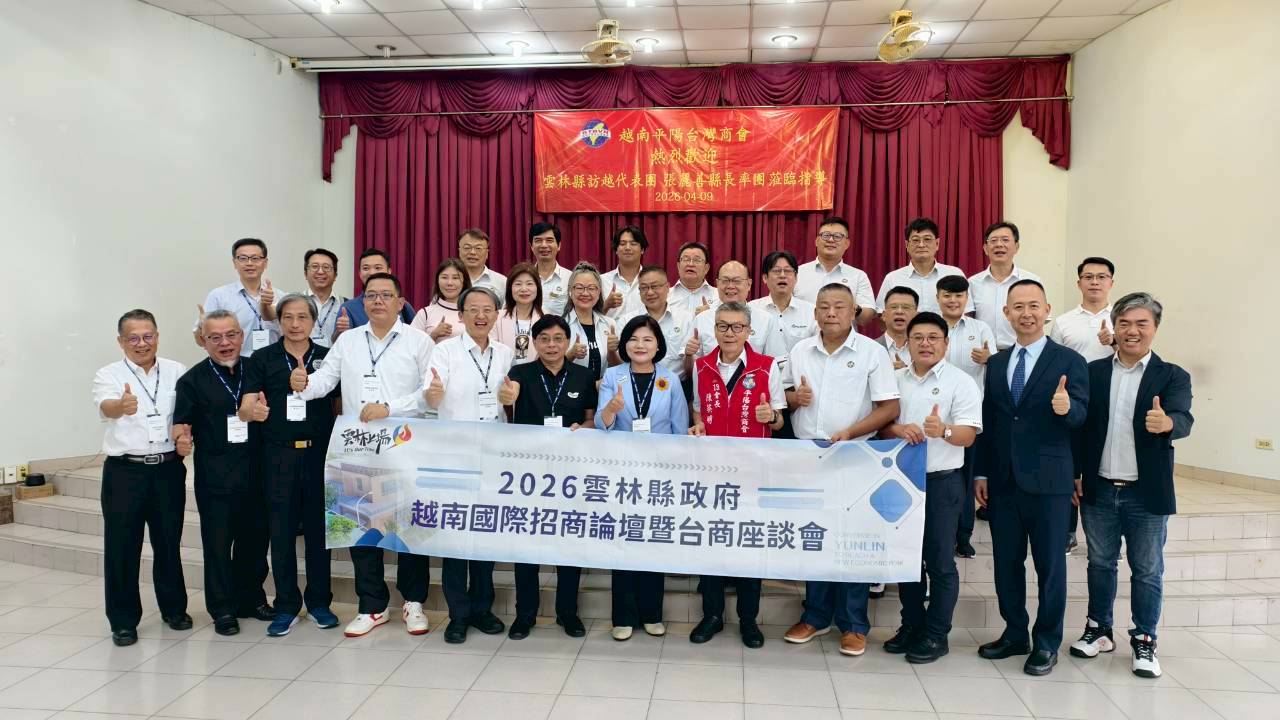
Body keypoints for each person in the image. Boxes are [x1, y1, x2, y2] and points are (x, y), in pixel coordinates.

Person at [294, 272, 435, 637]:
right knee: (360, 526)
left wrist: (389, 408)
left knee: (409, 527)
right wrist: (304, 384)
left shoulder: (418, 341)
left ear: (400, 302)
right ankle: (372, 605)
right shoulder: (349, 340)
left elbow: (429, 394)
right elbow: (325, 380)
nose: (377, 301)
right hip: (357, 446)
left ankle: (413, 601)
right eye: (371, 295)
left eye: (386, 295)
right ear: (363, 302)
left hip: (404, 445)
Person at [1071, 292, 1193, 679]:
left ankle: (1144, 638)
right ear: (1114, 327)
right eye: (1124, 323)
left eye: (1142, 323)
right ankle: (1099, 629)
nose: (1132, 331)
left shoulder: (1172, 375)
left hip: (1146, 491)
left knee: (1147, 570)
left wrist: (1168, 423)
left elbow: (1184, 417)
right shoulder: (1093, 372)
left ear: (1155, 328)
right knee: (1100, 563)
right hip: (1100, 488)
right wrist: (1076, 472)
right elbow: (1081, 429)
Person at [974, 279, 1088, 677]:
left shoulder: (1069, 361)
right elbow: (990, 421)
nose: (1026, 313)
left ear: (1047, 310)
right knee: (1007, 564)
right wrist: (982, 472)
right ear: (1006, 313)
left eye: (1034, 305)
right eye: (1018, 306)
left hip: (1050, 482)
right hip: (1004, 481)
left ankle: (1046, 642)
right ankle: (1014, 633)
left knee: (1050, 567)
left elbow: (1083, 418)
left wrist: (1068, 407)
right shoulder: (998, 363)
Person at [782, 283, 900, 657]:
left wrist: (851, 432)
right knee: (815, 537)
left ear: (853, 313)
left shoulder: (872, 352)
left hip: (855, 455)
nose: (831, 313)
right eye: (824, 306)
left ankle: (853, 625)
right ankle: (816, 616)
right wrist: (794, 398)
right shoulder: (800, 350)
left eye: (839, 306)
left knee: (852, 540)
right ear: (814, 312)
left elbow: (889, 408)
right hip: (809, 457)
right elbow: (782, 397)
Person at [880, 312, 982, 664]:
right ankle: (911, 624)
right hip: (900, 482)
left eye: (933, 337)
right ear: (906, 343)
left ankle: (937, 634)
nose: (925, 344)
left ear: (946, 343)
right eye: (918, 337)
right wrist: (897, 429)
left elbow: (969, 436)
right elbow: (881, 425)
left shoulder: (961, 382)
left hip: (942, 482)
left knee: (939, 562)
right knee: (906, 560)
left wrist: (944, 430)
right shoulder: (894, 380)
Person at [239, 294, 340, 637]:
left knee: (318, 533)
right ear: (279, 321)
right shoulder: (262, 359)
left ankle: (319, 603)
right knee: (280, 533)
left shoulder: (328, 358)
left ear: (313, 321)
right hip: (278, 456)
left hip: (319, 455)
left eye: (302, 317)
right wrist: (252, 412)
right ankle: (286, 605)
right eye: (288, 318)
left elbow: (339, 406)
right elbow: (246, 405)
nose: (295, 324)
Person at [687, 301, 786, 649]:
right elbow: (698, 411)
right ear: (714, 330)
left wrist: (770, 416)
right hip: (711, 473)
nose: (730, 333)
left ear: (748, 331)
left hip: (752, 473)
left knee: (749, 544)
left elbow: (780, 420)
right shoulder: (701, 366)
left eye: (737, 327)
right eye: (723, 326)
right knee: (711, 542)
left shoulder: (766, 367)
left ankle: (748, 619)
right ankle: (712, 615)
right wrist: (698, 425)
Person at [93, 309, 192, 647]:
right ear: (121, 341)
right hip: (125, 472)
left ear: (157, 337)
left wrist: (185, 436)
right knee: (122, 547)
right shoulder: (109, 374)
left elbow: (187, 414)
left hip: (168, 469)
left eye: (148, 336)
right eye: (133, 338)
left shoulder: (177, 370)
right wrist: (121, 406)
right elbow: (106, 407)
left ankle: (174, 609)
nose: (141, 343)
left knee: (168, 542)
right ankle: (123, 621)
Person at [174, 310, 272, 637]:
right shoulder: (192, 380)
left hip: (257, 473)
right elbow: (182, 424)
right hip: (216, 478)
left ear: (241, 336)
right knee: (217, 547)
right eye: (215, 337)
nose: (224, 343)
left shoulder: (256, 368)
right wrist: (181, 440)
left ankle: (252, 600)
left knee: (254, 543)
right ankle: (223, 609)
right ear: (203, 341)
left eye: (231, 334)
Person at [500, 315, 597, 640]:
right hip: (530, 472)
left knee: (568, 543)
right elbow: (509, 397)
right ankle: (525, 614)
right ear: (535, 342)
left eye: (558, 339)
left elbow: (591, 420)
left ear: (567, 341)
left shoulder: (583, 376)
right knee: (527, 543)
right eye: (544, 339)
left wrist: (582, 428)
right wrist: (507, 396)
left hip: (571, 473)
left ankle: (567, 612)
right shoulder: (520, 373)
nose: (552, 345)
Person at [426, 286, 512, 643]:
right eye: (473, 309)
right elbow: (430, 395)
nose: (481, 315)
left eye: (488, 309)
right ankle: (457, 614)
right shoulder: (445, 351)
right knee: (455, 538)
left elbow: (509, 402)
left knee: (484, 536)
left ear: (497, 315)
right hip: (455, 457)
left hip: (492, 455)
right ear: (460, 315)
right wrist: (432, 395)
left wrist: (512, 398)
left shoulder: (505, 353)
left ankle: (482, 608)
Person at [596, 315, 689, 640]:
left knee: (652, 540)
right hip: (622, 472)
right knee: (623, 541)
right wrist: (611, 408)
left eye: (647, 339)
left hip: (658, 474)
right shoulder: (613, 375)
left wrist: (675, 473)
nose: (640, 345)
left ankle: (651, 614)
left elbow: (679, 429)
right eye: (634, 339)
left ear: (658, 345)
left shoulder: (670, 379)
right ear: (624, 344)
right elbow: (602, 424)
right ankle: (622, 617)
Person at [1051, 257, 1117, 554]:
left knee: (1102, 465)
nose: (1094, 282)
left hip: (1111, 402)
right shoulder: (1064, 322)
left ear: (1111, 282)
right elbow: (1053, 361)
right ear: (1078, 283)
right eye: (1088, 276)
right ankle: (1067, 530)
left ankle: (1106, 534)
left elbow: (1139, 353)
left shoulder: (1123, 319)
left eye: (1101, 276)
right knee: (1070, 465)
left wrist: (1113, 342)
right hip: (1073, 403)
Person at [935, 275, 997, 558]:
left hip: (969, 417)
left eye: (959, 295)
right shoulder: (930, 327)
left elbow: (997, 369)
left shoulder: (980, 328)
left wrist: (988, 360)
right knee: (941, 478)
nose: (953, 301)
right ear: (938, 297)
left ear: (967, 299)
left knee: (966, 476)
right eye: (947, 295)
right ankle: (941, 536)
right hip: (934, 416)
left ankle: (963, 536)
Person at [194, 238, 280, 356]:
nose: (249, 263)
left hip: (272, 362)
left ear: (265, 263)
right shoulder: (219, 296)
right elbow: (200, 341)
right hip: (235, 363)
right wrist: (202, 327)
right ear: (235, 263)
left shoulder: (281, 297)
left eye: (255, 258)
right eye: (243, 258)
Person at [968, 221, 1044, 350]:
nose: (999, 244)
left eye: (1005, 240)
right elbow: (968, 321)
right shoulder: (973, 283)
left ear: (1016, 247)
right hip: (983, 354)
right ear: (985, 248)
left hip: (1021, 351)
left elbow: (1040, 318)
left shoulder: (1032, 281)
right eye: (993, 241)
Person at [690, 261, 785, 361]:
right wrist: (689, 356)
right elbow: (691, 364)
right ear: (717, 284)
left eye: (737, 281)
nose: (730, 286)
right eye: (725, 281)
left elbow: (776, 360)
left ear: (749, 284)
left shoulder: (766, 320)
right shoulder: (702, 319)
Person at [875, 218, 969, 315]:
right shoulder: (893, 278)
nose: (921, 245)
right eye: (915, 240)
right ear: (907, 245)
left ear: (937, 244)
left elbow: (965, 312)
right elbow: (882, 314)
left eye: (927, 239)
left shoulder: (954, 274)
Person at [794, 217, 876, 325]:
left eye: (837, 236)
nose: (831, 240)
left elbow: (866, 318)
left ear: (847, 243)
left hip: (843, 335)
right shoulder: (797, 273)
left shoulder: (858, 276)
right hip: (803, 334)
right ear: (817, 241)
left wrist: (852, 307)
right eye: (826, 235)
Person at [748, 250, 817, 374]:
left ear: (796, 278)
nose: (782, 275)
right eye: (776, 271)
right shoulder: (750, 310)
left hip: (800, 378)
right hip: (761, 377)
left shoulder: (811, 311)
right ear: (765, 278)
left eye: (788, 271)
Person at [622, 265, 694, 383]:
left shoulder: (686, 319)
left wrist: (690, 355)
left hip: (677, 385)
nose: (650, 292)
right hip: (636, 384)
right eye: (644, 288)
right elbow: (621, 361)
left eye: (654, 286)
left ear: (667, 287)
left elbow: (692, 367)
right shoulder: (627, 321)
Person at [335, 248, 416, 336]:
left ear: (389, 271)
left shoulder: (402, 305)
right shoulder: (348, 308)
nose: (372, 272)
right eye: (366, 268)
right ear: (360, 273)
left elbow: (414, 336)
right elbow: (337, 341)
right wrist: (339, 331)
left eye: (378, 268)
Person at [562, 262, 620, 382]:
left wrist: (612, 352)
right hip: (570, 390)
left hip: (602, 389)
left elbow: (618, 368)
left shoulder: (610, 324)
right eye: (579, 287)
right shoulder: (560, 325)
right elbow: (549, 367)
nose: (585, 293)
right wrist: (571, 354)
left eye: (591, 288)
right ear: (570, 291)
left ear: (599, 293)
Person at [411, 257, 471, 342]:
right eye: (444, 277)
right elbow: (410, 346)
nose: (449, 283)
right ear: (437, 281)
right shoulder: (425, 313)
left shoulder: (474, 313)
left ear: (464, 282)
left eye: (455, 278)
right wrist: (433, 335)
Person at [494, 262, 543, 366]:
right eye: (518, 284)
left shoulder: (547, 318)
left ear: (537, 288)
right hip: (504, 373)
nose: (524, 289)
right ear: (510, 288)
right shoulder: (496, 318)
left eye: (529, 284)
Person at [601, 225, 647, 320]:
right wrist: (606, 305)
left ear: (642, 249)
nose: (627, 248)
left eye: (633, 243)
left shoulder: (651, 281)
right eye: (622, 244)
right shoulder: (602, 281)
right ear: (616, 250)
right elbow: (589, 318)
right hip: (611, 330)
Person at [303, 248, 345, 348]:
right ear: (305, 274)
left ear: (335, 275)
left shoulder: (345, 305)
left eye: (326, 267)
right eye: (315, 266)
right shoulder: (293, 304)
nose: (320, 271)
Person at [530, 222, 573, 316]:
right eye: (538, 240)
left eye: (549, 240)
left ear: (559, 245)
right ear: (531, 246)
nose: (544, 245)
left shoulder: (570, 278)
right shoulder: (523, 278)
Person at [457, 228, 507, 302]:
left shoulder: (502, 282)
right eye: (467, 248)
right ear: (459, 251)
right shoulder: (448, 280)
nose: (472, 252)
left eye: (478, 248)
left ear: (487, 253)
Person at [667, 241, 716, 317]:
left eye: (697, 260)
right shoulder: (665, 296)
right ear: (678, 266)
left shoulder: (718, 296)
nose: (691, 264)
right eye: (686, 259)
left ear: (706, 268)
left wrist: (709, 316)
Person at [880, 286, 918, 370]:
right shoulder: (868, 348)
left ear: (916, 316)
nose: (899, 311)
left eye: (906, 307)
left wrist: (907, 373)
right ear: (884, 315)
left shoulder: (927, 349)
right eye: (894, 307)